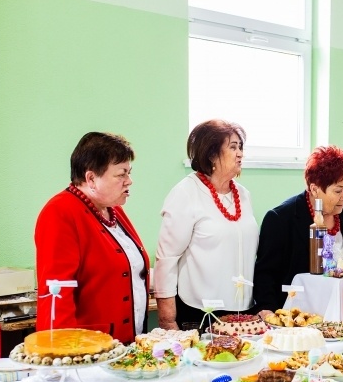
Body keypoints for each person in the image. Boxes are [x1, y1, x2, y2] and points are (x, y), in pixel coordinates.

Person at [35, 132, 149, 344]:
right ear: (91, 178)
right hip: (89, 349)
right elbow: (57, 293)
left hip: (125, 345)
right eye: (121, 174)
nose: (129, 181)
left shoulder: (112, 209)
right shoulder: (59, 212)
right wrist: (62, 353)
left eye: (129, 173)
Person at [154, 120, 258, 329]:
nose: (240, 154)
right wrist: (167, 319)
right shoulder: (186, 193)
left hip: (243, 311)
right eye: (233, 147)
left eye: (240, 147)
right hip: (199, 312)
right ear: (211, 154)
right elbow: (166, 258)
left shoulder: (243, 195)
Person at [254, 146, 343, 313]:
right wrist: (268, 311)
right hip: (296, 315)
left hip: (340, 311)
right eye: (338, 190)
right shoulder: (280, 219)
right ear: (314, 189)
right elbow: (265, 275)